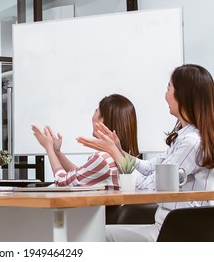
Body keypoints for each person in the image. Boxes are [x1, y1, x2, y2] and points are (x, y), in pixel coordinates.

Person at [77, 64, 214, 241]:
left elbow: (149, 188)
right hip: (170, 226)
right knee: (98, 233)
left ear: (183, 95)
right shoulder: (186, 137)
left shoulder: (191, 142)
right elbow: (150, 167)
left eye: (168, 88)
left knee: (94, 236)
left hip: (177, 232)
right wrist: (119, 150)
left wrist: (115, 155)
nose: (165, 95)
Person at [32, 94, 139, 189]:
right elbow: (82, 174)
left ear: (102, 120)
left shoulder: (103, 159)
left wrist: (49, 148)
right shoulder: (123, 159)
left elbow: (62, 182)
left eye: (96, 111)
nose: (93, 116)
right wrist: (57, 152)